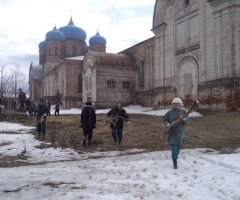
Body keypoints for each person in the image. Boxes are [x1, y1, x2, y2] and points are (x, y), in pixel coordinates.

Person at [163, 97, 190, 169]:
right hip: (172, 133)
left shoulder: (183, 112)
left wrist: (185, 119)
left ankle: (175, 157)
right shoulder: (169, 112)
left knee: (178, 148)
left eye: (177, 104)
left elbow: (187, 121)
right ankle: (175, 164)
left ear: (180, 104)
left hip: (180, 133)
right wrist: (168, 124)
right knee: (174, 148)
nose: (176, 105)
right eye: (174, 104)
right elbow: (164, 120)